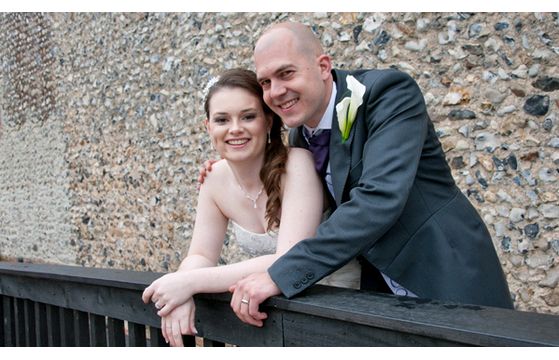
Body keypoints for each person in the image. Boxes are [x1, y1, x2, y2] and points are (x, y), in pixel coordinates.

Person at [218, 21, 514, 327]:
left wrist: (282, 273)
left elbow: (379, 197)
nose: (276, 91)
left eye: (286, 73)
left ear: (323, 66)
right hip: (379, 294)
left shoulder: (388, 94)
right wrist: (230, 171)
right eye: (265, 82)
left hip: (445, 273)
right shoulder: (299, 138)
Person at [142, 68, 361, 346]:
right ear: (208, 127)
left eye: (248, 116)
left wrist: (191, 283)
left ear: (268, 121)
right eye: (222, 119)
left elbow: (290, 257)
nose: (235, 128)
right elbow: (200, 253)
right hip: (269, 315)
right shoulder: (213, 180)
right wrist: (181, 290)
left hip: (333, 306)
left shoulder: (297, 164)